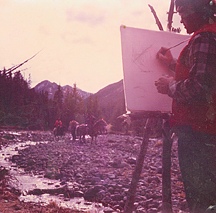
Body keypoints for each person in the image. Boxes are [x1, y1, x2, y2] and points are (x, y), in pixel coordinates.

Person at [155, 0, 216, 212]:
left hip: (200, 132)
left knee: (201, 199)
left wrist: (169, 86)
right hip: (203, 131)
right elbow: (203, 72)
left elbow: (201, 87)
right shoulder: (207, 35)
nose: (180, 17)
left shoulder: (204, 37)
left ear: (197, 11)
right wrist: (173, 64)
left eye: (183, 11)